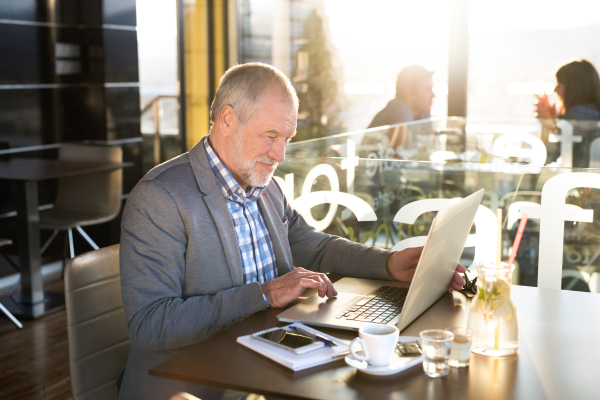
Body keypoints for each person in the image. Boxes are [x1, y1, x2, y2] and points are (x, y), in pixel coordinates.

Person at [118, 63, 465, 400]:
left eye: (287, 138)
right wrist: (263, 295)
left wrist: (390, 263)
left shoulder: (264, 185)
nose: (281, 154)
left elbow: (315, 246)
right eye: (271, 136)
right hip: (195, 383)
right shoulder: (160, 198)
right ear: (227, 120)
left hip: (271, 362)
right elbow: (151, 324)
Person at [535, 59, 600, 167]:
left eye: (559, 85)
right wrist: (555, 121)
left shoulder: (577, 115)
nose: (555, 90)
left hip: (582, 181)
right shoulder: (591, 111)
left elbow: (546, 157)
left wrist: (546, 124)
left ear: (574, 88)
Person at [368, 65, 435, 129]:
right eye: (427, 90)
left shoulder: (422, 114)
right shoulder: (401, 107)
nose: (433, 95)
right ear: (409, 94)